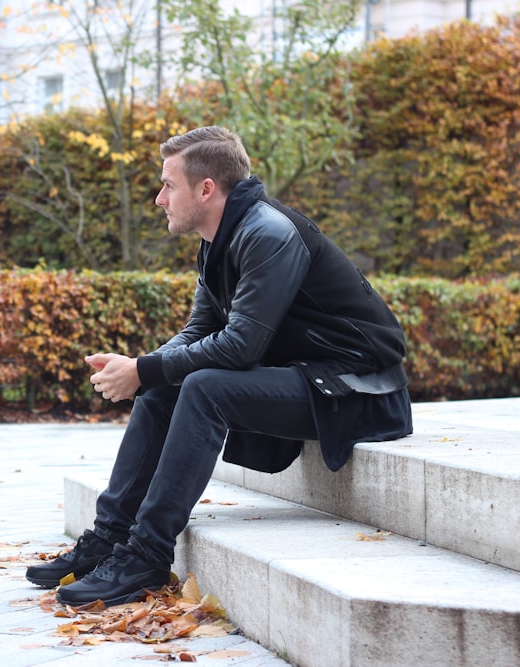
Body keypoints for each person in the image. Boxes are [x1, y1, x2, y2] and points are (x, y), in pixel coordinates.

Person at [25, 125, 413, 608]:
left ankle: (146, 554)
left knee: (202, 385)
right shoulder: (218, 239)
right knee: (167, 384)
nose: (158, 198)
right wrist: (141, 368)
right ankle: (110, 538)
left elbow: (240, 347)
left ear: (206, 189)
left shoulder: (269, 233)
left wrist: (143, 369)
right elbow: (199, 331)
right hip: (307, 377)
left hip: (356, 389)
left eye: (168, 184)